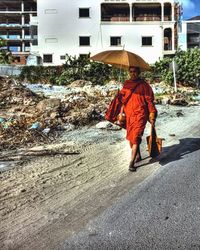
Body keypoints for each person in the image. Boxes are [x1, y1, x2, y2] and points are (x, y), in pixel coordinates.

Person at [118, 66, 157, 172]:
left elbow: (149, 101)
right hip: (129, 115)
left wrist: (152, 114)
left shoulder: (144, 85)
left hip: (141, 115)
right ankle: (138, 155)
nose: (132, 74)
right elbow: (123, 101)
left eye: (134, 72)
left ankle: (131, 162)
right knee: (132, 137)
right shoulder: (126, 85)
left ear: (138, 72)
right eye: (130, 72)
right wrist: (121, 113)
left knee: (136, 137)